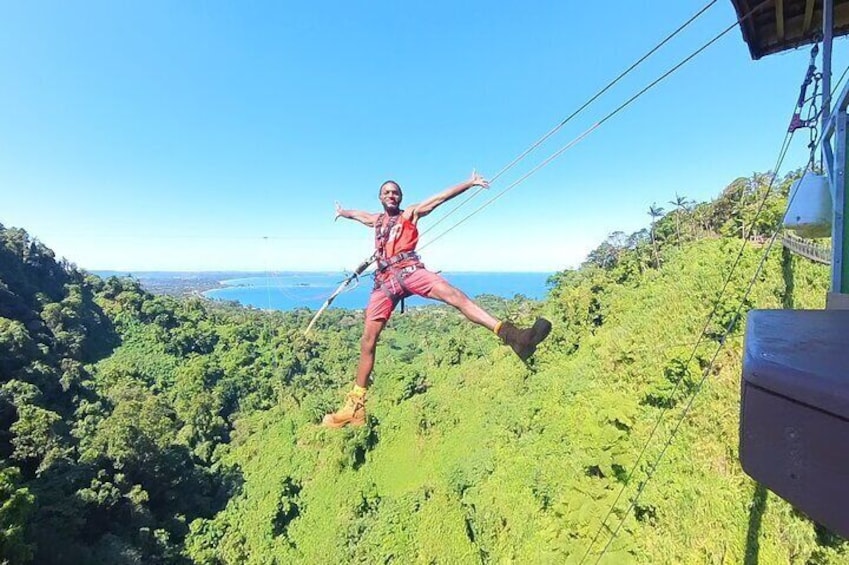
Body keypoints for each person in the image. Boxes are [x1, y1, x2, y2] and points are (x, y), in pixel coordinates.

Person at [322, 170, 552, 428]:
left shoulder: (410, 213)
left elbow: (439, 199)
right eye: (386, 192)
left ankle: (515, 337)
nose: (391, 195)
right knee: (368, 340)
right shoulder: (375, 220)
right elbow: (358, 215)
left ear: (400, 198)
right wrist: (343, 213)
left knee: (455, 296)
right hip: (385, 282)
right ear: (380, 197)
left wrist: (469, 183)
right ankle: (355, 406)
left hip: (410, 271)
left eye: (395, 192)